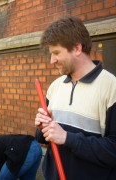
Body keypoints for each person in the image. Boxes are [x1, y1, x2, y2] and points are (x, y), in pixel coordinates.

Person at [35, 15, 116, 180]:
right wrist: (42, 128)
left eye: (56, 53)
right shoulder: (55, 87)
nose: (52, 61)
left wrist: (67, 138)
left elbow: (113, 150)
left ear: (77, 48)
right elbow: (45, 138)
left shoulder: (111, 87)